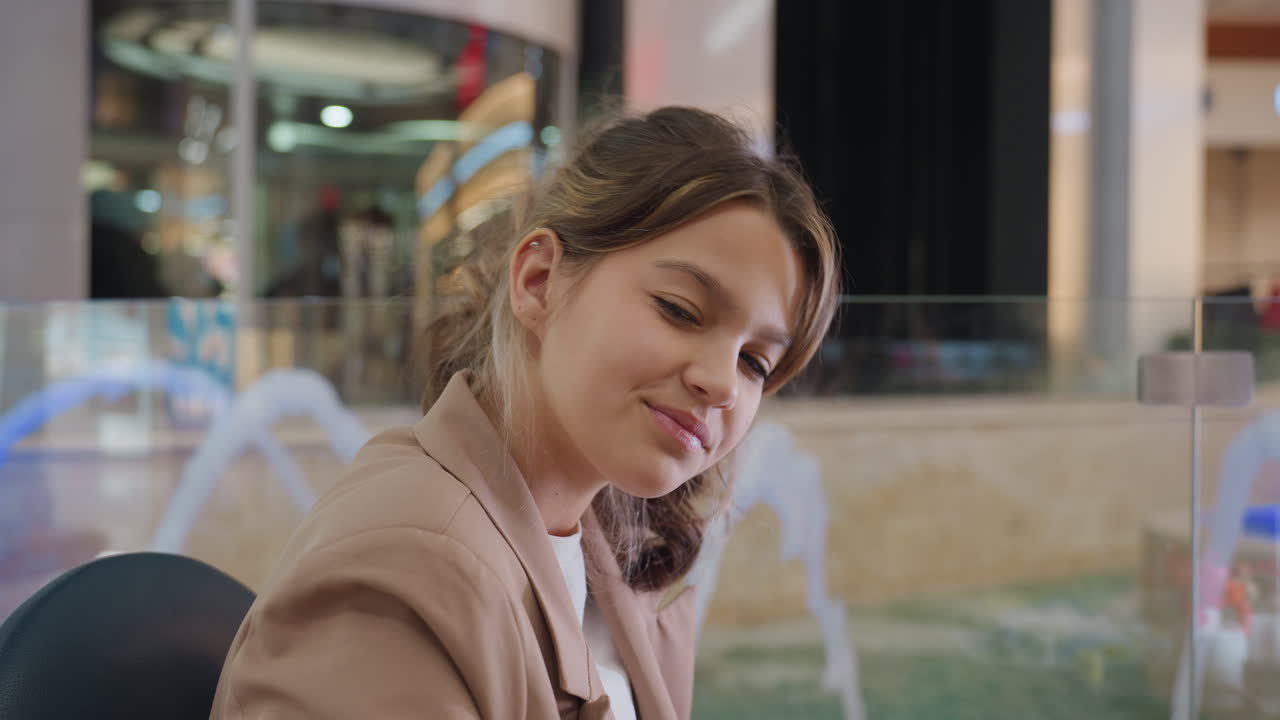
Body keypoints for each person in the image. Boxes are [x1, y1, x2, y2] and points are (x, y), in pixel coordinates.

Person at [210, 106, 841, 720]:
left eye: (756, 362)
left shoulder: (596, 552)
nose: (721, 384)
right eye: (680, 309)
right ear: (539, 280)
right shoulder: (400, 576)